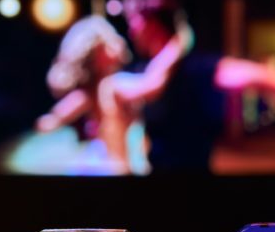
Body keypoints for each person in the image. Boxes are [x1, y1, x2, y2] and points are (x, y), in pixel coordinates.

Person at [120, 0, 275, 174]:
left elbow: (260, 76)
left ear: (151, 21)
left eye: (134, 21)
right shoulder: (146, 71)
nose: (131, 30)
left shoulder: (194, 69)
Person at [36, 14, 191, 175]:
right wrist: (177, 44)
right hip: (123, 168)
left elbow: (57, 116)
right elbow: (152, 83)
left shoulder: (92, 92)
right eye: (109, 41)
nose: (119, 42)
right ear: (99, 53)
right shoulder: (114, 85)